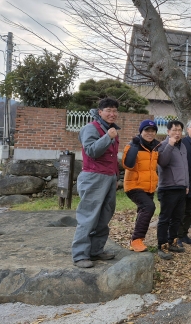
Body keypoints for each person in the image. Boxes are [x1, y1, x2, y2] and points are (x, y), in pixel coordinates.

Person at [71, 98, 121, 268]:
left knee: (104, 216)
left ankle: (96, 250)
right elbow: (91, 151)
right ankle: (80, 255)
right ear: (100, 112)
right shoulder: (90, 128)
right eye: (108, 110)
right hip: (93, 177)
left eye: (114, 110)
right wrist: (107, 137)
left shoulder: (111, 130)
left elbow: (113, 159)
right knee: (88, 216)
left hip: (109, 178)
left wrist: (116, 177)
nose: (112, 113)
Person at [122, 119, 160, 255]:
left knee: (143, 210)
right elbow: (127, 165)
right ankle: (136, 239)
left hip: (149, 186)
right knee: (149, 207)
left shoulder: (156, 146)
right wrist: (133, 146)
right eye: (146, 130)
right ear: (141, 132)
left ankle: (135, 242)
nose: (150, 133)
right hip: (133, 185)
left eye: (152, 131)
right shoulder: (133, 145)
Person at [156, 120, 190, 260]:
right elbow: (162, 162)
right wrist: (170, 144)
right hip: (167, 188)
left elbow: (185, 167)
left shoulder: (183, 147)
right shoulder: (163, 145)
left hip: (181, 188)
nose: (177, 133)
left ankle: (172, 241)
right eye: (174, 130)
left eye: (179, 130)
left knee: (177, 217)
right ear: (168, 131)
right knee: (165, 218)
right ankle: (162, 245)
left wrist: (186, 184)